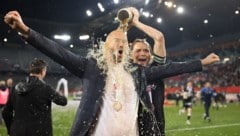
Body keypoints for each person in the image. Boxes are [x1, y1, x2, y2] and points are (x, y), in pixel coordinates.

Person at [4, 10, 220, 136]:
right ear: (105, 47)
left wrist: (202, 63)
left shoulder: (138, 72)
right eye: (115, 41)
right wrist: (25, 30)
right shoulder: (90, 67)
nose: (120, 44)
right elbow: (57, 51)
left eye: (123, 42)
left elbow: (172, 68)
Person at [2, 59, 67, 136]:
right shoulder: (45, 88)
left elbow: (6, 112)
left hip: (18, 132)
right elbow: (63, 101)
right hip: (40, 132)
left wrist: (12, 129)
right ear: (42, 71)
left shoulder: (15, 88)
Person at [128, 7, 167, 135]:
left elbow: (159, 37)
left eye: (146, 50)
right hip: (130, 129)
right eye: (138, 50)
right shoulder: (126, 71)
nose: (143, 53)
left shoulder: (157, 69)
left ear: (151, 55)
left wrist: (136, 22)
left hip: (156, 130)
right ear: (130, 55)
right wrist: (125, 25)